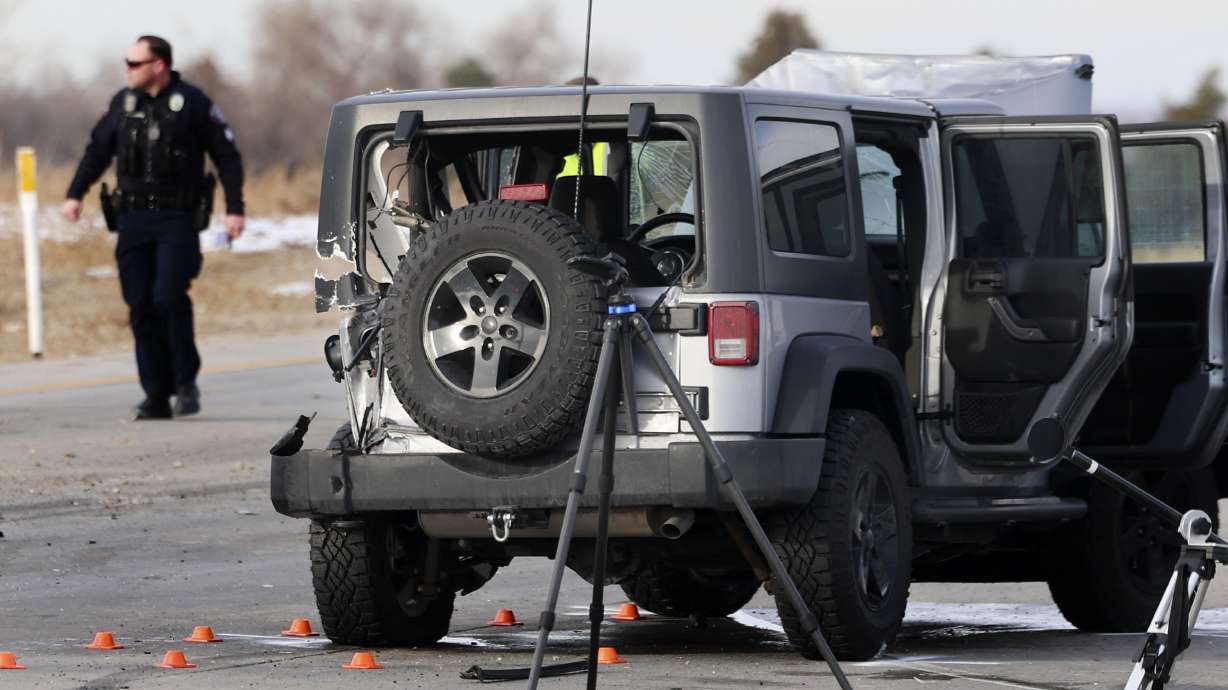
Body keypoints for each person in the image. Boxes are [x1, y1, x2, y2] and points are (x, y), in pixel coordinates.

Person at [60, 35, 245, 420]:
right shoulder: (123, 105)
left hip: (176, 218)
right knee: (139, 303)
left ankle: (184, 380)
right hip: (131, 219)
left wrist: (234, 209)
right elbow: (97, 151)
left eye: (134, 63)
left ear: (158, 65)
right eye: (126, 63)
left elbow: (226, 155)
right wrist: (75, 194)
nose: (127, 70)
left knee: (167, 296)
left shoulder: (192, 102)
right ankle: (156, 395)